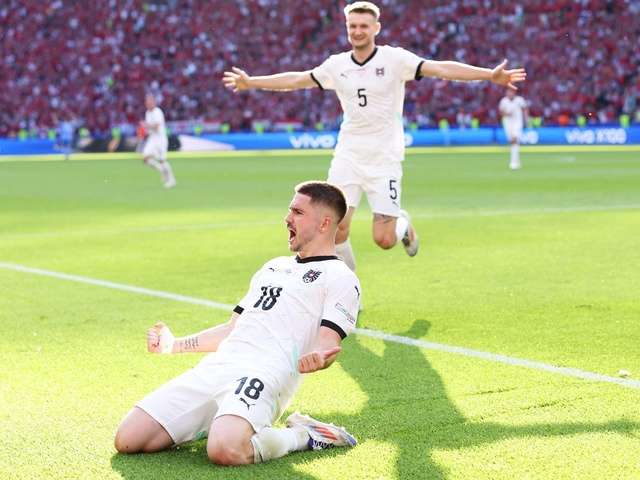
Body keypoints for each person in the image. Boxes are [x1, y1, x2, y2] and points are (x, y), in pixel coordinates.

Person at [222, 1, 526, 273]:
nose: (357, 31)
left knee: (383, 240)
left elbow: (440, 68)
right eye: (352, 26)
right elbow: (298, 79)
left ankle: (402, 224)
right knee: (335, 229)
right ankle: (349, 291)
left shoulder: (395, 59)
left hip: (384, 157)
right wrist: (252, 82)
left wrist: (489, 74)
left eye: (363, 26)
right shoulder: (337, 65)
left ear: (376, 28)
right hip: (348, 155)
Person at [114, 181, 360, 466]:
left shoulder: (340, 277)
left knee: (225, 450)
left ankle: (304, 435)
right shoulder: (273, 266)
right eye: (290, 210)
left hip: (267, 373)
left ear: (324, 223)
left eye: (298, 212)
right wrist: (174, 345)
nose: (287, 218)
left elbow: (328, 342)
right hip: (222, 364)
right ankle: (223, 419)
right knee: (129, 439)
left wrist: (319, 356)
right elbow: (233, 329)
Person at [141, 93, 176, 188]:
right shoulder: (147, 113)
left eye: (150, 102)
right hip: (152, 138)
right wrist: (145, 130)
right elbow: (149, 128)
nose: (148, 104)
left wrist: (146, 126)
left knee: (162, 160)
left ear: (153, 102)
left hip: (160, 138)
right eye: (147, 102)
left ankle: (171, 180)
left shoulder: (157, 112)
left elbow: (156, 127)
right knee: (145, 158)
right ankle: (162, 171)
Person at [499, 88, 529, 170]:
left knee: (514, 139)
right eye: (508, 92)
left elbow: (525, 108)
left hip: (517, 122)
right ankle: (516, 161)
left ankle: (513, 162)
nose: (510, 94)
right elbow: (501, 111)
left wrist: (526, 119)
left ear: (514, 93)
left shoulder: (519, 100)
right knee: (512, 142)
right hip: (507, 123)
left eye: (511, 92)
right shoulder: (504, 101)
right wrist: (506, 113)